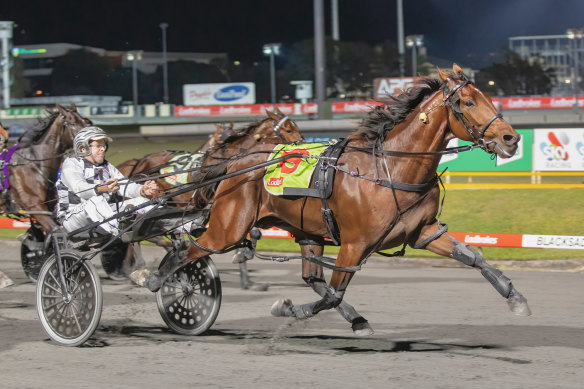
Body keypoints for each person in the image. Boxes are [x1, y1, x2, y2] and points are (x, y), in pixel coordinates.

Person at [56, 126, 159, 236]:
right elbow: (79, 189)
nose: (103, 149)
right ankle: (119, 232)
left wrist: (142, 189)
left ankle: (176, 228)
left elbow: (124, 185)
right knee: (95, 201)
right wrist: (102, 188)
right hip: (72, 218)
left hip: (102, 215)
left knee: (141, 202)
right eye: (98, 146)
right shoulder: (72, 163)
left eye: (104, 145)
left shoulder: (107, 166)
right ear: (83, 148)